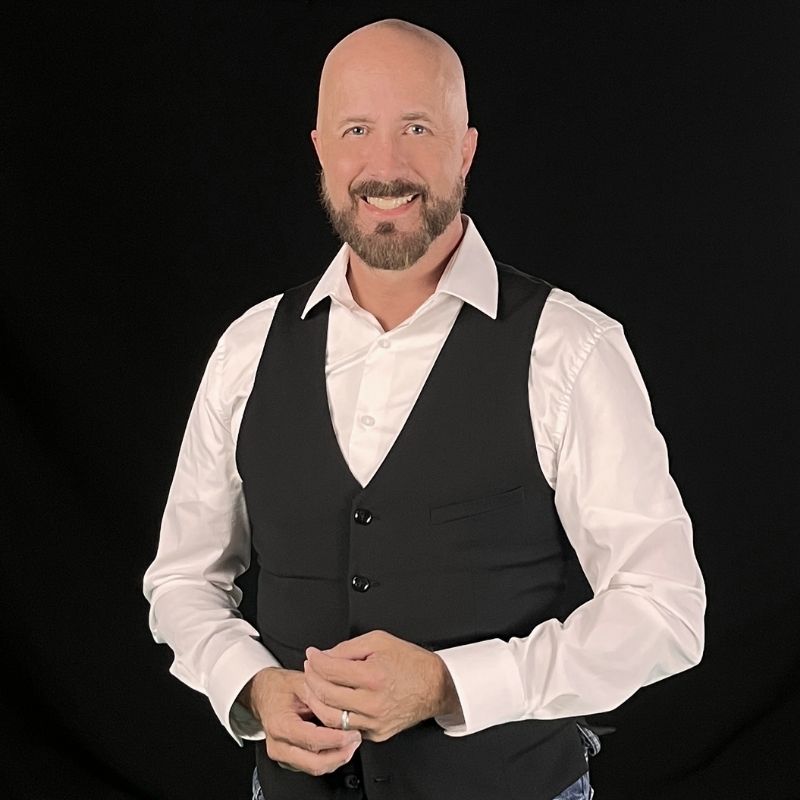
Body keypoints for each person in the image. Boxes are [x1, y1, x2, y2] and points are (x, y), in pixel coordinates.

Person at [143, 18, 705, 800]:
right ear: (321, 150)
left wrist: (451, 685)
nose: (385, 167)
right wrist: (252, 686)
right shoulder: (247, 349)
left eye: (416, 128)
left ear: (464, 149)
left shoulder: (571, 349)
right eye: (356, 130)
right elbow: (182, 580)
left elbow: (665, 610)